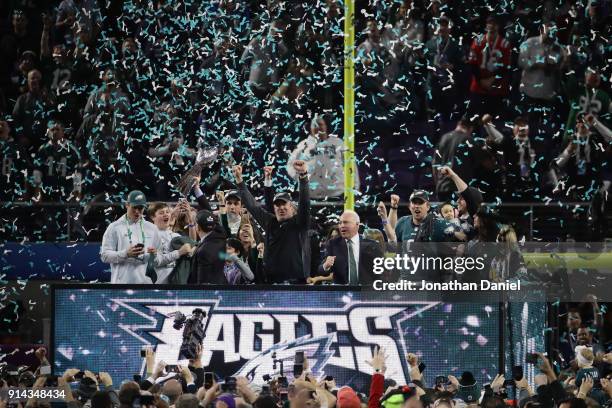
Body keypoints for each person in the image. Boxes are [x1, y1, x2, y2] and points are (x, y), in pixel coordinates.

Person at [233, 161, 311, 283]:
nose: (281, 208)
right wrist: (239, 181)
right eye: (277, 205)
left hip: (296, 283)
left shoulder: (300, 223)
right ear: (274, 208)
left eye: (284, 204)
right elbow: (252, 206)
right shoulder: (270, 222)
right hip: (272, 282)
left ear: (291, 206)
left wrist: (303, 177)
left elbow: (305, 203)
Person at [100, 190, 192, 284]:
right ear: (127, 205)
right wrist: (126, 254)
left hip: (145, 286)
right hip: (122, 285)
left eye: (140, 208)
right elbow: (104, 256)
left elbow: (158, 261)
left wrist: (154, 255)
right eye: (134, 207)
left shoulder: (151, 228)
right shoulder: (114, 227)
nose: (137, 211)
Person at [287, 115, 358, 200]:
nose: (317, 127)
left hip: (337, 194)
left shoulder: (338, 143)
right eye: (314, 125)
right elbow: (290, 165)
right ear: (310, 128)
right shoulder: (303, 145)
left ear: (326, 126)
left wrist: (355, 187)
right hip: (310, 195)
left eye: (320, 124)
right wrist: (301, 178)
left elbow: (351, 165)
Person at [316, 210, 384, 285]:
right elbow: (320, 270)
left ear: (357, 224)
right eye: (340, 223)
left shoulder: (371, 245)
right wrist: (326, 266)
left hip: (365, 291)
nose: (342, 226)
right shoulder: (333, 244)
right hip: (342, 292)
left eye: (345, 222)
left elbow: (380, 273)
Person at [466, 15, 511, 117]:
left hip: (496, 88)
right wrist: (481, 81)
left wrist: (492, 80)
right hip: (478, 86)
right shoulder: (477, 41)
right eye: (489, 23)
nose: (491, 26)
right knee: (475, 119)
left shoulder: (504, 44)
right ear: (486, 26)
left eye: (494, 24)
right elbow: (472, 64)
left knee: (493, 120)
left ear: (498, 26)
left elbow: (505, 67)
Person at [432, 117, 477, 201]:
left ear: (458, 124)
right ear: (471, 128)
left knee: (444, 213)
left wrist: (438, 183)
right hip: (460, 188)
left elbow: (435, 164)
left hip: (442, 187)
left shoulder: (444, 137)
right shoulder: (469, 140)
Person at [190, 209, 227, 284]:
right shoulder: (221, 236)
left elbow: (203, 283)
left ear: (198, 227)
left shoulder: (203, 251)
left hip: (209, 293)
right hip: (221, 287)